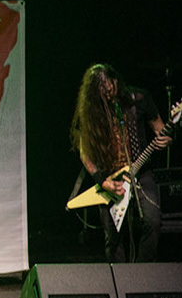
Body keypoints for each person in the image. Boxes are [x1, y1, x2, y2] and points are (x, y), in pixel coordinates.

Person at [68, 63, 171, 263]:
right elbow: (85, 153)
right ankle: (120, 282)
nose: (109, 94)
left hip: (140, 171)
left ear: (117, 81)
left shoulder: (139, 98)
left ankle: (142, 274)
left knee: (152, 220)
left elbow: (161, 130)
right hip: (109, 177)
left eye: (111, 88)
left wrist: (166, 138)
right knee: (113, 238)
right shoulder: (89, 112)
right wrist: (101, 180)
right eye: (103, 93)